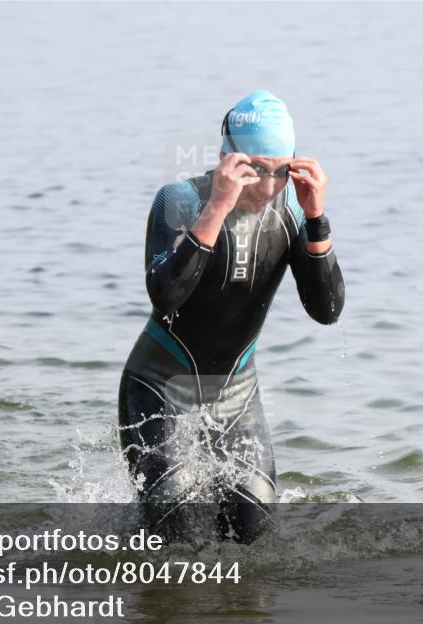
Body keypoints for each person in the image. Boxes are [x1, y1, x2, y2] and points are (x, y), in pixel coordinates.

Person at [117, 90, 345, 543]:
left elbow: (327, 311)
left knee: (255, 541)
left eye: (282, 170)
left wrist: (317, 217)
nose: (267, 185)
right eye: (255, 169)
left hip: (238, 397)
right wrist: (218, 207)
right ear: (226, 159)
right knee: (175, 546)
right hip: (159, 387)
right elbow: (165, 297)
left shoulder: (295, 211)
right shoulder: (180, 200)